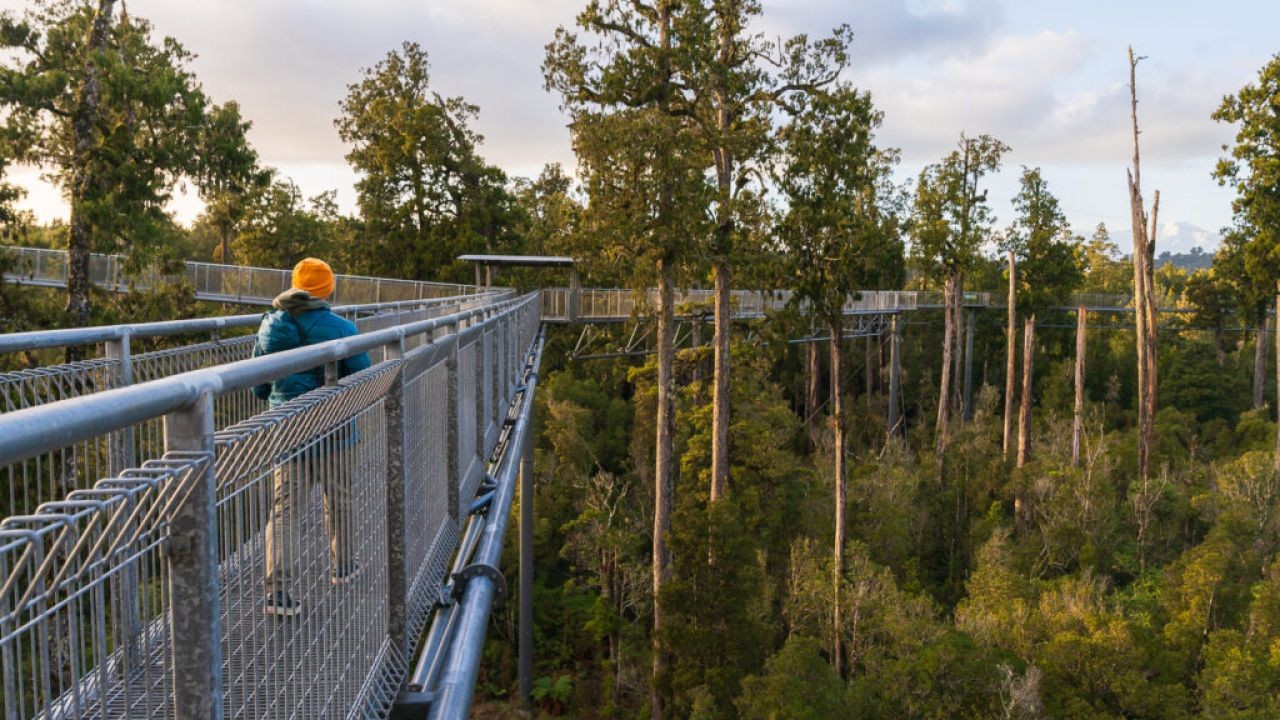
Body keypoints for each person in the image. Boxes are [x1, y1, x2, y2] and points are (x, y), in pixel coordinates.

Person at [251, 257, 371, 617]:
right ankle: (343, 567)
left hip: (288, 426)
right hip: (333, 424)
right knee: (339, 498)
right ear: (328, 289)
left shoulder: (270, 327)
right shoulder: (341, 327)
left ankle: (277, 592)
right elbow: (362, 375)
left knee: (284, 510)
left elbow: (260, 385)